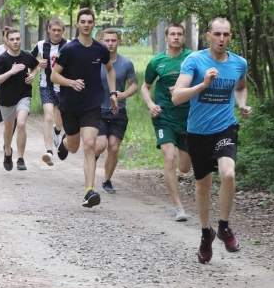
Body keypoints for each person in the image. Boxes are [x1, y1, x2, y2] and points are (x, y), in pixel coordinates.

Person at [171, 17, 252, 263]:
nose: (221, 39)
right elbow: (177, 97)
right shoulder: (194, 61)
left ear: (230, 37)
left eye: (226, 35)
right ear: (208, 36)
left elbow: (240, 87)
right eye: (217, 34)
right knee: (202, 186)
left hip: (225, 127)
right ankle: (206, 233)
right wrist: (203, 84)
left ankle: (224, 226)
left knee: (228, 173)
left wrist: (243, 105)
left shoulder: (239, 63)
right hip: (197, 132)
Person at [51, 8, 118, 208]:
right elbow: (54, 75)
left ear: (93, 24)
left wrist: (113, 94)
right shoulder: (69, 49)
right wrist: (71, 83)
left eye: (90, 21)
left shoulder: (100, 49)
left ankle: (89, 191)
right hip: (70, 105)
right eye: (83, 21)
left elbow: (110, 70)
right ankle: (64, 143)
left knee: (89, 145)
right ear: (77, 24)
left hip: (92, 104)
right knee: (74, 146)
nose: (87, 24)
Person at [141, 23, 194, 221]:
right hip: (163, 116)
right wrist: (150, 104)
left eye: (180, 34)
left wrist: (185, 89)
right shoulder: (157, 61)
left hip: (188, 117)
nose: (176, 37)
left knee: (185, 168)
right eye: (172, 34)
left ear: (183, 37)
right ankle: (178, 207)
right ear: (166, 37)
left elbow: (202, 82)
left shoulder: (192, 58)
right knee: (169, 157)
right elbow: (145, 87)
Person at [94, 28, 138, 193]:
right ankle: (90, 163)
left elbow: (134, 84)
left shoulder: (126, 63)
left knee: (113, 147)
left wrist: (123, 94)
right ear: (102, 41)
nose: (110, 43)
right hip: (98, 109)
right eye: (107, 40)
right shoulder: (96, 61)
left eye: (113, 40)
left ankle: (106, 180)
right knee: (99, 146)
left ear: (118, 42)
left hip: (118, 110)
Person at [0, 28, 40, 171]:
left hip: (24, 95)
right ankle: (7, 152)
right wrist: (11, 72)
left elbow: (36, 66)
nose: (15, 42)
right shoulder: (2, 59)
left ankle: (21, 158)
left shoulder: (26, 56)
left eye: (17, 39)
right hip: (6, 98)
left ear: (21, 39)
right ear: (7, 40)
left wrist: (33, 75)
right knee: (8, 128)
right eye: (12, 39)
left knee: (22, 123)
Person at [31, 18, 68, 165]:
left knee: (60, 121)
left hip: (63, 87)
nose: (56, 33)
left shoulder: (69, 45)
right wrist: (37, 65)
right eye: (54, 30)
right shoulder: (41, 45)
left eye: (59, 30)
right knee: (48, 116)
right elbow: (29, 59)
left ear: (63, 31)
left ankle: (58, 131)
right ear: (49, 30)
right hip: (46, 85)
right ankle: (49, 152)